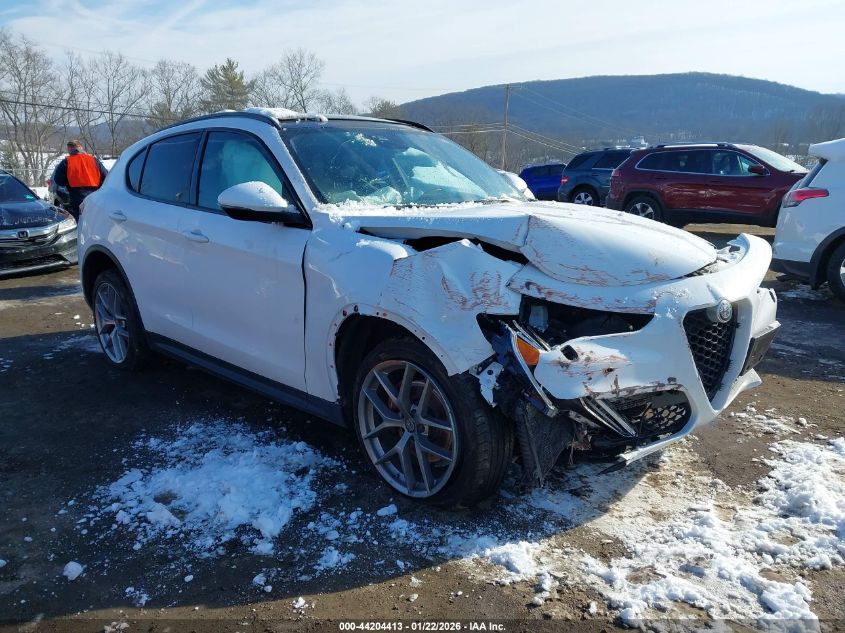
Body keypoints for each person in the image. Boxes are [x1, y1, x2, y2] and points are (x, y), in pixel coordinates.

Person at [52, 140, 109, 219]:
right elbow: (106, 176)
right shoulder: (94, 160)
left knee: (80, 220)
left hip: (77, 197)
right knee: (96, 220)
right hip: (95, 196)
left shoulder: (66, 162)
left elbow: (58, 181)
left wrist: (69, 181)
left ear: (69, 149)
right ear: (80, 148)